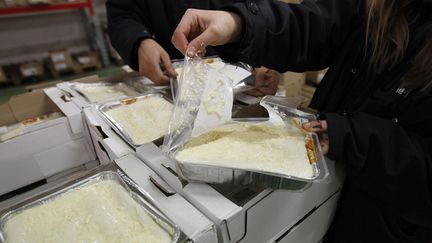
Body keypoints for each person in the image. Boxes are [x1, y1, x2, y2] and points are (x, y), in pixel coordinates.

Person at [171, 0, 432, 242]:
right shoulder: (377, 7)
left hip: (383, 225)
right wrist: (239, 24)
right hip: (318, 195)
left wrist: (357, 139)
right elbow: (314, 25)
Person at [105, 0, 280, 95]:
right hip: (173, 84)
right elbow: (121, 15)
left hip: (241, 82)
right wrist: (139, 42)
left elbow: (261, 9)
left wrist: (262, 48)